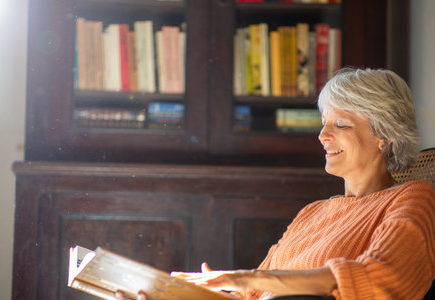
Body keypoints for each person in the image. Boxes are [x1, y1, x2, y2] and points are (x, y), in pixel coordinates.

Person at [169, 68, 435, 300]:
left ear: (385, 135)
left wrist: (249, 278)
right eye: (323, 123)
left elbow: (381, 277)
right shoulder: (312, 213)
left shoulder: (413, 198)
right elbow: (250, 294)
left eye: (341, 125)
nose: (323, 136)